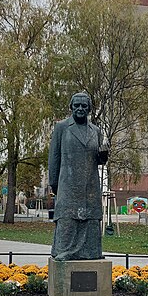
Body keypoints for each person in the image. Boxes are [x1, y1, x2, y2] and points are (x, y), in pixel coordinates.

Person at [48, 92, 109, 260]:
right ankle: (64, 251)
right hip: (68, 184)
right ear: (71, 107)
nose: (80, 109)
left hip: (90, 184)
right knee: (67, 219)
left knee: (90, 219)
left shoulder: (95, 130)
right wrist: (53, 183)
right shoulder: (61, 127)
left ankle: (91, 252)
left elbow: (99, 160)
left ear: (89, 109)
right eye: (77, 105)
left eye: (84, 106)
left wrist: (104, 155)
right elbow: (54, 156)